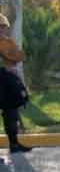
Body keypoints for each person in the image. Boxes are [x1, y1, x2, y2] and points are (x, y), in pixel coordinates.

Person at [0, 14, 31, 154]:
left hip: (8, 82)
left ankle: (14, 144)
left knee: (11, 113)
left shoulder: (8, 42)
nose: (1, 30)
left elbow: (20, 56)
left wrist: (8, 55)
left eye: (1, 27)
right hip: (5, 79)